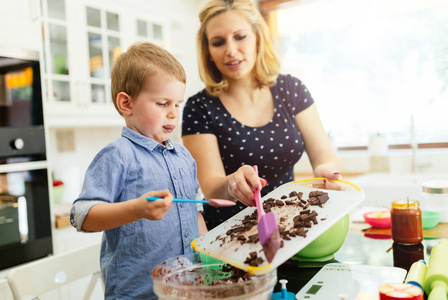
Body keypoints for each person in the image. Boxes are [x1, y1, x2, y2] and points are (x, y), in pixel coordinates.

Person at [182, 0, 342, 230]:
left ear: (258, 37)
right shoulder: (199, 107)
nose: (231, 50)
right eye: (218, 42)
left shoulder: (291, 89)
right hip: (229, 234)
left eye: (240, 36)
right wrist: (232, 184)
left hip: (289, 223)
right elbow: (210, 186)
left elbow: (323, 152)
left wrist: (326, 170)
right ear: (208, 52)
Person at [70, 42, 207, 300]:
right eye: (163, 103)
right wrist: (137, 209)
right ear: (126, 103)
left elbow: (195, 210)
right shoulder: (118, 155)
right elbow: (81, 216)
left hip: (187, 290)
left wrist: (210, 260)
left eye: (177, 104)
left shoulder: (184, 157)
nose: (173, 114)